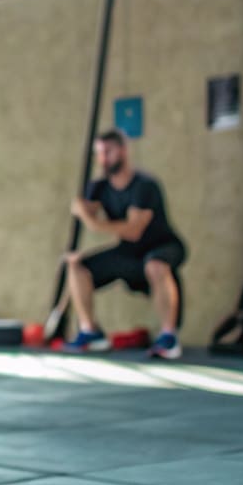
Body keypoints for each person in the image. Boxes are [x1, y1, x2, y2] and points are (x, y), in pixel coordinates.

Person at [63, 128, 186, 359]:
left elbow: (133, 230)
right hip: (128, 253)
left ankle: (168, 337)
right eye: (99, 153)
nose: (103, 158)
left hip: (162, 246)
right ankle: (91, 331)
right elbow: (86, 208)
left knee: (155, 265)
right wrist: (79, 208)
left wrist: (90, 220)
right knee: (77, 266)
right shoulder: (99, 186)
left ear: (123, 151)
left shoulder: (144, 185)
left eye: (108, 152)